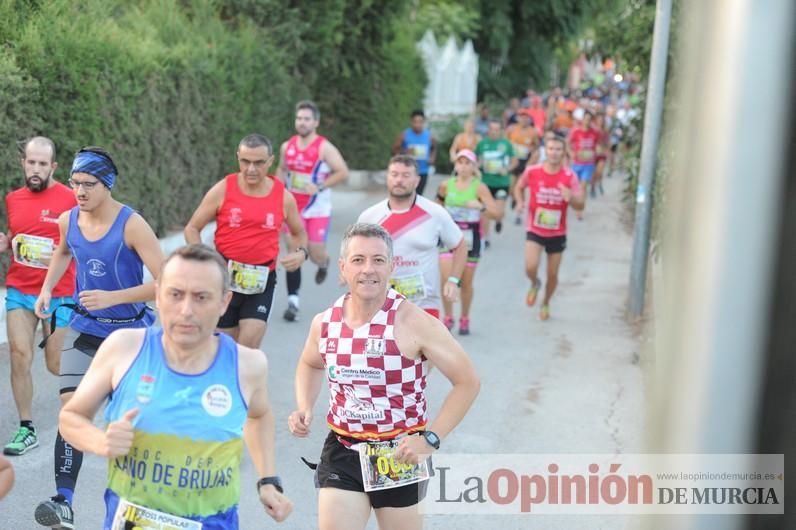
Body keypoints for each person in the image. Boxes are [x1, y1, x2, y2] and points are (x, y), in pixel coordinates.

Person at [59, 244, 293, 528]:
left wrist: (267, 480)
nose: (186, 310)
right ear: (158, 295)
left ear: (224, 301)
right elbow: (70, 417)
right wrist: (100, 441)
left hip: (213, 521)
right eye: (175, 294)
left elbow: (259, 415)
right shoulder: (124, 347)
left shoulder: (248, 365)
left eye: (201, 297)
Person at [288, 223, 480, 530]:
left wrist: (430, 439)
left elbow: (468, 382)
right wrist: (305, 405)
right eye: (358, 260)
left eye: (378, 260)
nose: (368, 270)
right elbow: (310, 363)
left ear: (392, 266)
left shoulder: (415, 322)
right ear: (343, 267)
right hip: (343, 449)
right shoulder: (325, 323)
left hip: (398, 454)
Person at [33, 146, 164, 528]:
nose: (80, 191)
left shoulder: (131, 225)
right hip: (86, 328)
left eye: (88, 184)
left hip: (131, 338)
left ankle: (140, 505)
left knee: (133, 422)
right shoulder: (67, 220)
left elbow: (167, 282)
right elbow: (62, 252)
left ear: (107, 185)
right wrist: (46, 290)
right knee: (71, 411)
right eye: (75, 183)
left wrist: (115, 297)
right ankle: (63, 502)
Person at [185, 134, 308, 348]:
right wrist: (204, 260)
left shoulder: (283, 197)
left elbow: (299, 233)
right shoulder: (224, 188)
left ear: (270, 161)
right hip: (224, 279)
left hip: (262, 280)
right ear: (238, 158)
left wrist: (301, 252)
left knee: (247, 347)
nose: (251, 169)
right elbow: (192, 228)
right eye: (245, 161)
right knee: (223, 348)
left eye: (259, 163)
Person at [0, 137, 76, 457]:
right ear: (23, 163)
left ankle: (92, 392)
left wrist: (52, 260)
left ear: (53, 167)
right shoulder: (13, 199)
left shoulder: (71, 199)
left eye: (42, 164)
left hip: (58, 293)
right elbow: (17, 237)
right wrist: (6, 242)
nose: (35, 169)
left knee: (57, 364)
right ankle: (27, 428)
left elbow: (76, 249)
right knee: (19, 354)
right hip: (21, 290)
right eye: (31, 162)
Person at [358, 155, 466, 319]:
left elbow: (460, 245)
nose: (399, 180)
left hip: (424, 305)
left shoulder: (434, 213)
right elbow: (355, 253)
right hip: (380, 305)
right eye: (394, 174)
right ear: (387, 178)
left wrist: (453, 280)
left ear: (416, 181)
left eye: (406, 175)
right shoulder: (369, 217)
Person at [277, 100, 348, 322]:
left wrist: (319, 186)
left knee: (315, 253)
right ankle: (293, 301)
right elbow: (281, 169)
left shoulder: (324, 147)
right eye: (299, 118)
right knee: (293, 250)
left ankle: (324, 263)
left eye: (307, 119)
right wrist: (277, 192)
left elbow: (342, 172)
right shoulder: (286, 146)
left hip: (317, 209)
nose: (302, 122)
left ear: (315, 122)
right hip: (293, 208)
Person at [513, 134, 585, 321]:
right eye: (551, 149)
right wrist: (520, 202)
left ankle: (545, 302)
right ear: (546, 150)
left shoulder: (570, 176)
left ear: (563, 152)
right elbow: (519, 187)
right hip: (535, 229)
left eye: (558, 149)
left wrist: (572, 197)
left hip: (557, 233)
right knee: (530, 266)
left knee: (552, 274)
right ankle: (535, 283)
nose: (554, 153)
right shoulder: (532, 171)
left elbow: (580, 205)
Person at [436, 150, 499, 334]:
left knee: (466, 283)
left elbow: (496, 214)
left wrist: (481, 206)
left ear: (474, 166)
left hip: (471, 237)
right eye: (460, 162)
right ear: (455, 165)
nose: (463, 166)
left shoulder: (480, 188)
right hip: (449, 236)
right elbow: (436, 206)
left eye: (467, 163)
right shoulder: (445, 186)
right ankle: (448, 317)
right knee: (447, 278)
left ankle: (464, 317)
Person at [474, 119, 515, 247]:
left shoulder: (506, 144)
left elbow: (515, 162)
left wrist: (506, 169)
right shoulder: (482, 144)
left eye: (497, 129)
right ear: (488, 130)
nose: (494, 132)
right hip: (485, 183)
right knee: (485, 211)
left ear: (501, 131)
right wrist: (477, 166)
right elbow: (475, 161)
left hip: (502, 183)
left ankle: (498, 219)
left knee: (498, 211)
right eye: (492, 129)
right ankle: (486, 238)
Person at [391, 110, 436, 196]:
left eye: (420, 122)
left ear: (424, 122)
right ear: (411, 122)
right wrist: (405, 151)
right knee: (407, 195)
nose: (417, 124)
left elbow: (434, 148)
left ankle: (415, 209)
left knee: (419, 196)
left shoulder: (429, 135)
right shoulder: (405, 134)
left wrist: (432, 158)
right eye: (415, 122)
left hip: (423, 171)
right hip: (407, 171)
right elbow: (394, 150)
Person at [568, 110, 602, 203]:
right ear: (582, 119)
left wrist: (596, 151)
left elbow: (599, 145)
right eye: (586, 119)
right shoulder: (576, 131)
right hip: (576, 163)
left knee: (583, 186)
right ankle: (575, 203)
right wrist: (571, 153)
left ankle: (580, 208)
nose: (587, 121)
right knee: (574, 186)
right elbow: (568, 143)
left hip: (588, 163)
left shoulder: (595, 132)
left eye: (589, 120)